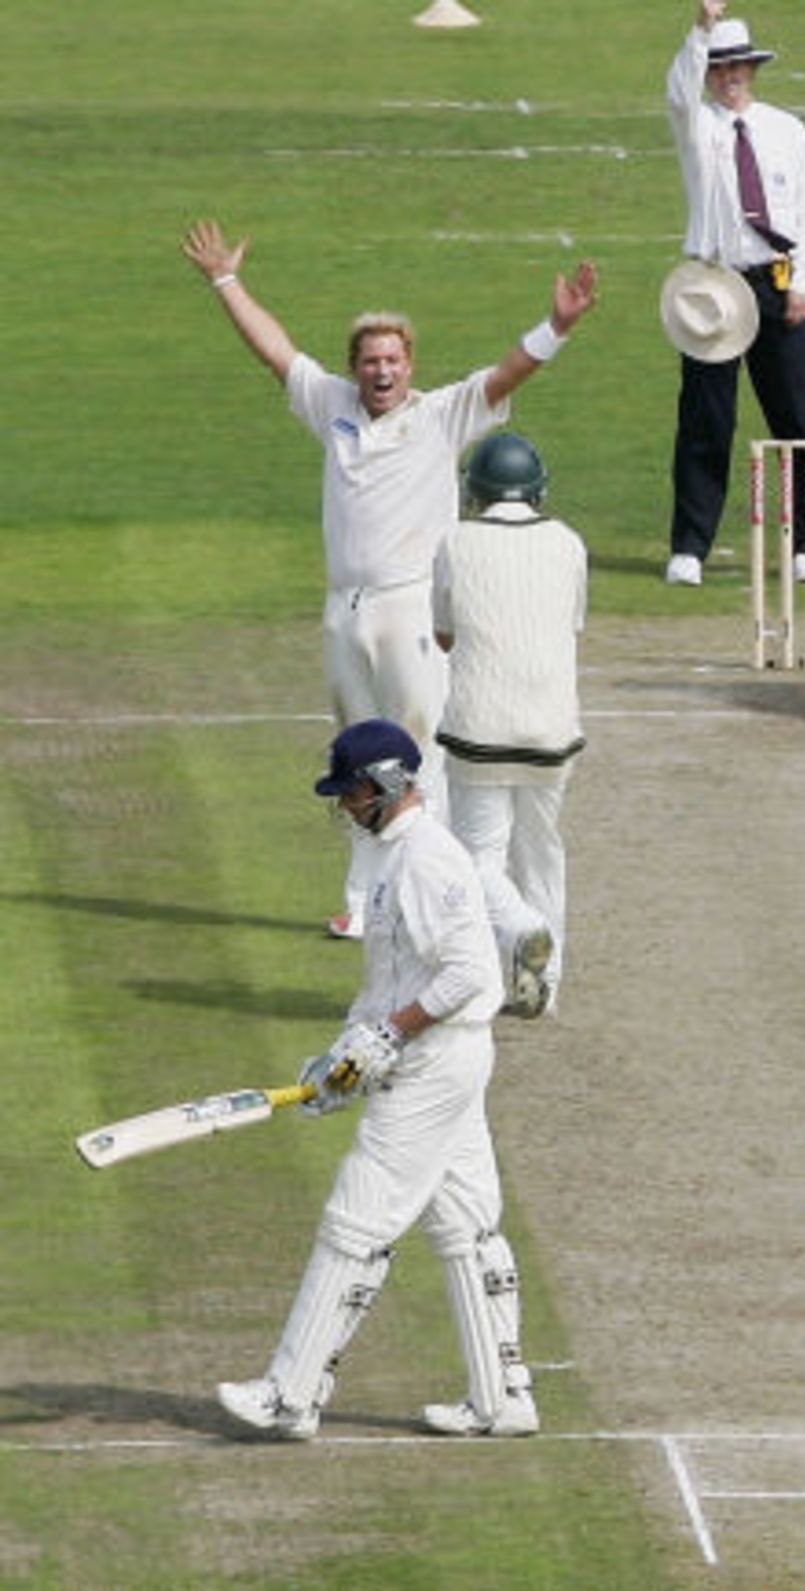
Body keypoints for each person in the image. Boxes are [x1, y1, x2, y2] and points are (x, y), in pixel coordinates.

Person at [180, 219, 597, 935]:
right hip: (344, 609)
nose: (382, 372)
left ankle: (433, 897)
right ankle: (366, 900)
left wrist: (556, 327)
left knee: (421, 754)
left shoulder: (440, 415)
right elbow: (275, 351)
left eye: (394, 360)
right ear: (355, 367)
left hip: (412, 608)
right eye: (371, 361)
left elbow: (508, 373)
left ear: (410, 365)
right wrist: (225, 280)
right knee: (356, 755)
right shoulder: (332, 406)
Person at [217, 718, 539, 1440]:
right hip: (435, 1058)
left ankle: (291, 1394)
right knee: (464, 1221)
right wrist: (340, 1060)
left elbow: (468, 974)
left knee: (354, 1217)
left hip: (437, 1061)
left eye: (352, 792)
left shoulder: (428, 859)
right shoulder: (394, 857)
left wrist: (390, 1036)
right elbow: (387, 981)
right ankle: (502, 1397)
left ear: (387, 784)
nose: (344, 805)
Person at [663, 0, 805, 589]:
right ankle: (690, 547)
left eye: (737, 66)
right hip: (713, 286)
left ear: (752, 70)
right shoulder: (698, 125)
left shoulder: (787, 130)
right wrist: (702, 28)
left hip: (777, 282)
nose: (728, 76)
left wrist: (803, 282)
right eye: (718, 67)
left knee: (794, 415)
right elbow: (678, 90)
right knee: (705, 418)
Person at [433, 433, 588, 1018]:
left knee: (479, 859)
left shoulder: (455, 540)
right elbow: (571, 624)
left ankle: (522, 930)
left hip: (480, 730)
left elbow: (444, 635)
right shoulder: (568, 542)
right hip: (552, 728)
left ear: (476, 491)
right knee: (541, 851)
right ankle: (548, 985)